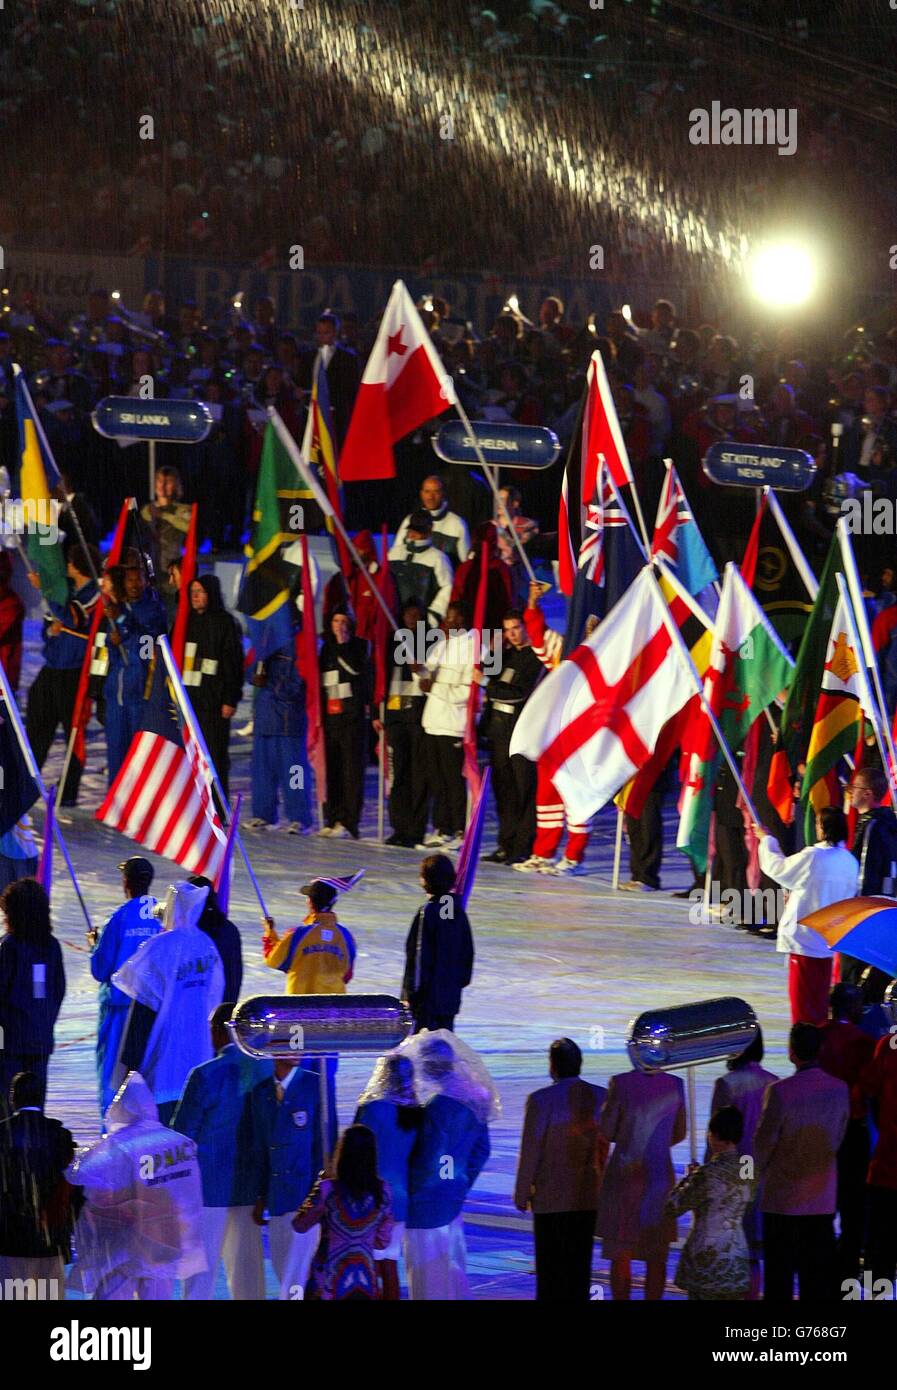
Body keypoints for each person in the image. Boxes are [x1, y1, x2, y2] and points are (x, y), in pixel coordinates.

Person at [67, 1071, 206, 1300]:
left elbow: (81, 1172)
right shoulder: (181, 1143)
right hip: (167, 1242)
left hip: (129, 1243)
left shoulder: (121, 1144)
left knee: (113, 1294)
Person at [171, 1003, 271, 1301]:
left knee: (200, 1277)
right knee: (248, 1277)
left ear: (218, 1031)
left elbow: (182, 1138)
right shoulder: (266, 1070)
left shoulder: (205, 1075)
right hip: (250, 1189)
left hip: (206, 1189)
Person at [114, 882, 225, 1125]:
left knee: (162, 1139)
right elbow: (215, 999)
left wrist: (128, 1067)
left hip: (163, 1062)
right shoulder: (206, 946)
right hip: (199, 1055)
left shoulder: (160, 947)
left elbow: (142, 1010)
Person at [754, 1022, 849, 1302]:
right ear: (820, 1049)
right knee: (816, 1280)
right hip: (821, 1198)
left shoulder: (780, 1091)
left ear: (791, 1052)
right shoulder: (839, 1089)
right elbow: (838, 1137)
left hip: (783, 1200)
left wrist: (749, 1175)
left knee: (779, 1280)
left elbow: (763, 1144)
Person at [264, 876, 359, 1155]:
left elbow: (274, 959)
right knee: (325, 1086)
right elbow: (348, 973)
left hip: (300, 1023)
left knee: (299, 1084)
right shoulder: (346, 937)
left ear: (310, 903)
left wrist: (270, 934)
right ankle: (327, 1151)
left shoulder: (299, 934)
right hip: (331, 1023)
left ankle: (298, 1149)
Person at [514, 1037, 608, 1302]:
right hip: (587, 1197)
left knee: (551, 1275)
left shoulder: (540, 1100)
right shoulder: (601, 1096)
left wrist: (521, 1193)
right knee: (579, 1271)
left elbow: (531, 1150)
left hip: (550, 1201)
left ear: (553, 1065)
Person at [403, 1033, 496, 1300]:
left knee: (428, 1281)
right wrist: (460, 1182)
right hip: (452, 1201)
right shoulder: (472, 1100)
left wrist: (412, 1189)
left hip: (426, 1207)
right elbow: (481, 1151)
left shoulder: (436, 1107)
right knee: (453, 1276)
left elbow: (430, 1157)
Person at [756, 807, 860, 1025]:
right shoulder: (850, 861)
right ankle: (819, 1050)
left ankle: (805, 1054)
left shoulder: (814, 857)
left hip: (804, 939)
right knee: (819, 1003)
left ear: (823, 828)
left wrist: (767, 841)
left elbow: (778, 868)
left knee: (803, 1007)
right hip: (828, 938)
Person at [595, 1061, 687, 1300]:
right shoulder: (676, 1085)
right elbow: (679, 1132)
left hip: (625, 1174)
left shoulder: (620, 1083)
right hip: (659, 1174)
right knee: (656, 1253)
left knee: (621, 1250)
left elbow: (607, 1130)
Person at [25, 543, 99, 805]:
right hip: (52, 668)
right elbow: (50, 626)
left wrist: (46, 592)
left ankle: (67, 794)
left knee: (73, 736)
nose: (66, 567)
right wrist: (54, 628)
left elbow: (76, 619)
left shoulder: (95, 593)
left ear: (77, 564)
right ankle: (25, 784)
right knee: (37, 730)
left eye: (69, 562)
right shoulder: (64, 590)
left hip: (75, 674)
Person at [89, 855, 160, 1119]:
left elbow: (100, 968)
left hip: (120, 1009)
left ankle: (111, 1135)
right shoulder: (165, 915)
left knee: (112, 1079)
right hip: (152, 1009)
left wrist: (95, 945)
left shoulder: (118, 918)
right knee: (146, 1075)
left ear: (126, 882)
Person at [709, 1030, 777, 1299]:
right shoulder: (774, 1082)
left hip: (731, 1175)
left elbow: (715, 1137)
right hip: (761, 1174)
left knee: (729, 1247)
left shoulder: (726, 1084)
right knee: (754, 1252)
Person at [0, 1071, 79, 1299]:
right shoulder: (60, 1135)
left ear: (13, 1098)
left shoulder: (2, 1134)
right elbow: (74, 1187)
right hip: (50, 1243)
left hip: (10, 1243)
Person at [293, 1124, 394, 1300]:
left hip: (328, 1280)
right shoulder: (383, 1191)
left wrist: (317, 1187)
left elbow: (300, 1224)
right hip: (364, 1278)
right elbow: (382, 1242)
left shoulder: (327, 1190)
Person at [818, 983, 876, 1284]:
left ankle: (822, 1264)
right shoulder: (863, 1042)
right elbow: (869, 1086)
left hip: (821, 1130)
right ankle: (848, 1271)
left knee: (822, 1201)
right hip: (852, 1129)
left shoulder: (817, 1036)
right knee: (853, 1206)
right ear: (851, 1008)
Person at [665, 1107, 752, 1301]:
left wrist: (688, 1178)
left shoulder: (707, 1173)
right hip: (737, 1255)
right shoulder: (748, 1168)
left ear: (714, 1135)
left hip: (707, 1258)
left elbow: (673, 1207)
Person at [253, 1056, 322, 1300]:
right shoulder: (261, 1093)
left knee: (296, 1280)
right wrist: (261, 1197)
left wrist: (320, 1199)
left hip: (305, 1201)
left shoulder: (316, 1086)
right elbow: (260, 1151)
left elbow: (325, 1146)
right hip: (276, 1201)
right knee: (284, 1274)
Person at [355, 1054, 423, 1300]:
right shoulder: (415, 1113)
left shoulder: (372, 1109)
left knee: (368, 1264)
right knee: (390, 1262)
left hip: (369, 1197)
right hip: (400, 1197)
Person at [481, 608, 543, 865]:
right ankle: (505, 844)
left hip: (522, 733)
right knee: (503, 791)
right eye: (507, 630)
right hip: (499, 733)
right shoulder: (505, 655)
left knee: (523, 791)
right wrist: (494, 646)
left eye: (516, 628)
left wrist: (489, 685)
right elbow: (486, 671)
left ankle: (523, 846)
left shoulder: (535, 658)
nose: (512, 634)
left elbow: (519, 693)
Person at [99, 555, 167, 784]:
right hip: (116, 694)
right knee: (115, 753)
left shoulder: (152, 609)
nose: (135, 584)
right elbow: (112, 652)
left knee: (138, 756)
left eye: (139, 579)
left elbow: (147, 648)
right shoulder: (117, 608)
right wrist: (114, 640)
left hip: (139, 693)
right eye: (129, 580)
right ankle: (114, 802)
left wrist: (124, 624)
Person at [0, 879, 66, 1106]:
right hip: (40, 1039)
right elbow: (58, 991)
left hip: (9, 1043)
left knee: (7, 1110)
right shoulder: (52, 946)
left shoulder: (8, 947)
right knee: (34, 1106)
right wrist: (44, 1022)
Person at [420, 601, 477, 850]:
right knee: (436, 778)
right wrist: (420, 672)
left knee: (454, 780)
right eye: (447, 619)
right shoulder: (441, 644)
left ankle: (459, 830)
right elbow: (426, 674)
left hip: (453, 724)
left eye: (453, 619)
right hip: (432, 722)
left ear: (462, 620)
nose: (449, 623)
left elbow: (469, 691)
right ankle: (441, 828)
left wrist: (436, 688)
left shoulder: (475, 646)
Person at [181, 574, 243, 800]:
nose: (195, 596)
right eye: (192, 591)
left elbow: (234, 664)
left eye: (201, 591)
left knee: (214, 756)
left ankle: (218, 806)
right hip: (189, 701)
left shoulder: (225, 623)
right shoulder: (185, 621)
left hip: (214, 704)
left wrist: (230, 698)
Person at [402, 854, 474, 1034]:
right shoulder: (454, 910)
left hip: (427, 999)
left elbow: (419, 955)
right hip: (449, 996)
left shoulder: (428, 913)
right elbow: (466, 951)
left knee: (423, 1050)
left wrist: (412, 993)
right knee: (443, 1047)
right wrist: (456, 983)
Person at [377, 600, 429, 848]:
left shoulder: (430, 639)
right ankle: (398, 827)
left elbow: (433, 673)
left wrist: (422, 668)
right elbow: (382, 673)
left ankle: (415, 830)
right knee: (399, 775)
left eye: (416, 615)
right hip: (396, 715)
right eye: (407, 614)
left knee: (418, 775)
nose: (411, 618)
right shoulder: (394, 638)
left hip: (418, 717)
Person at [248, 641, 313, 833]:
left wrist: (270, 682)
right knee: (263, 773)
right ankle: (263, 814)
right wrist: (256, 673)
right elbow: (248, 670)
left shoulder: (300, 646)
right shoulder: (265, 645)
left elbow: (299, 684)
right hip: (265, 720)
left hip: (289, 722)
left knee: (295, 772)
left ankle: (300, 817)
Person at [842, 767, 897, 991]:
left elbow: (864, 873)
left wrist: (855, 908)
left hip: (866, 911)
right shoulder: (886, 823)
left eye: (853, 788)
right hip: (883, 905)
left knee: (852, 972)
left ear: (867, 793)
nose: (850, 792)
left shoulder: (872, 826)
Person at [319, 610, 371, 840]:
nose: (339, 625)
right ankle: (332, 817)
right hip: (331, 720)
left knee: (351, 772)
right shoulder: (325, 649)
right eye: (335, 620)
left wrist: (344, 644)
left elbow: (358, 673)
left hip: (352, 720)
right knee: (333, 771)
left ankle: (349, 822)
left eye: (343, 621)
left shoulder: (359, 647)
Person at [862, 1017, 897, 1286]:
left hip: (886, 1167)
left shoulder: (888, 1046)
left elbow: (869, 1093)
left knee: (879, 1257)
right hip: (885, 1165)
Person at [140, 466, 192, 617]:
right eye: (159, 481)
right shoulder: (146, 510)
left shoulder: (182, 510)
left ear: (175, 484)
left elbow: (188, 526)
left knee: (171, 615)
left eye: (168, 482)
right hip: (150, 571)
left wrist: (163, 515)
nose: (162, 486)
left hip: (172, 571)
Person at [388, 510, 454, 628]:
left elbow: (447, 587)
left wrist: (433, 615)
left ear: (429, 531)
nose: (413, 533)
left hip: (422, 623)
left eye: (418, 530)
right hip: (393, 619)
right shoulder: (394, 553)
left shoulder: (438, 558)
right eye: (412, 529)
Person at [392, 475, 470, 567]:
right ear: (421, 494)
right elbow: (396, 553)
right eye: (427, 491)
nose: (430, 497)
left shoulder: (458, 524)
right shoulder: (410, 520)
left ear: (443, 493)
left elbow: (466, 564)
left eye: (436, 492)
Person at [188, 875, 244, 1004]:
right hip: (222, 1004)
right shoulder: (230, 929)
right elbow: (235, 976)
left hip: (195, 1005)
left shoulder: (191, 931)